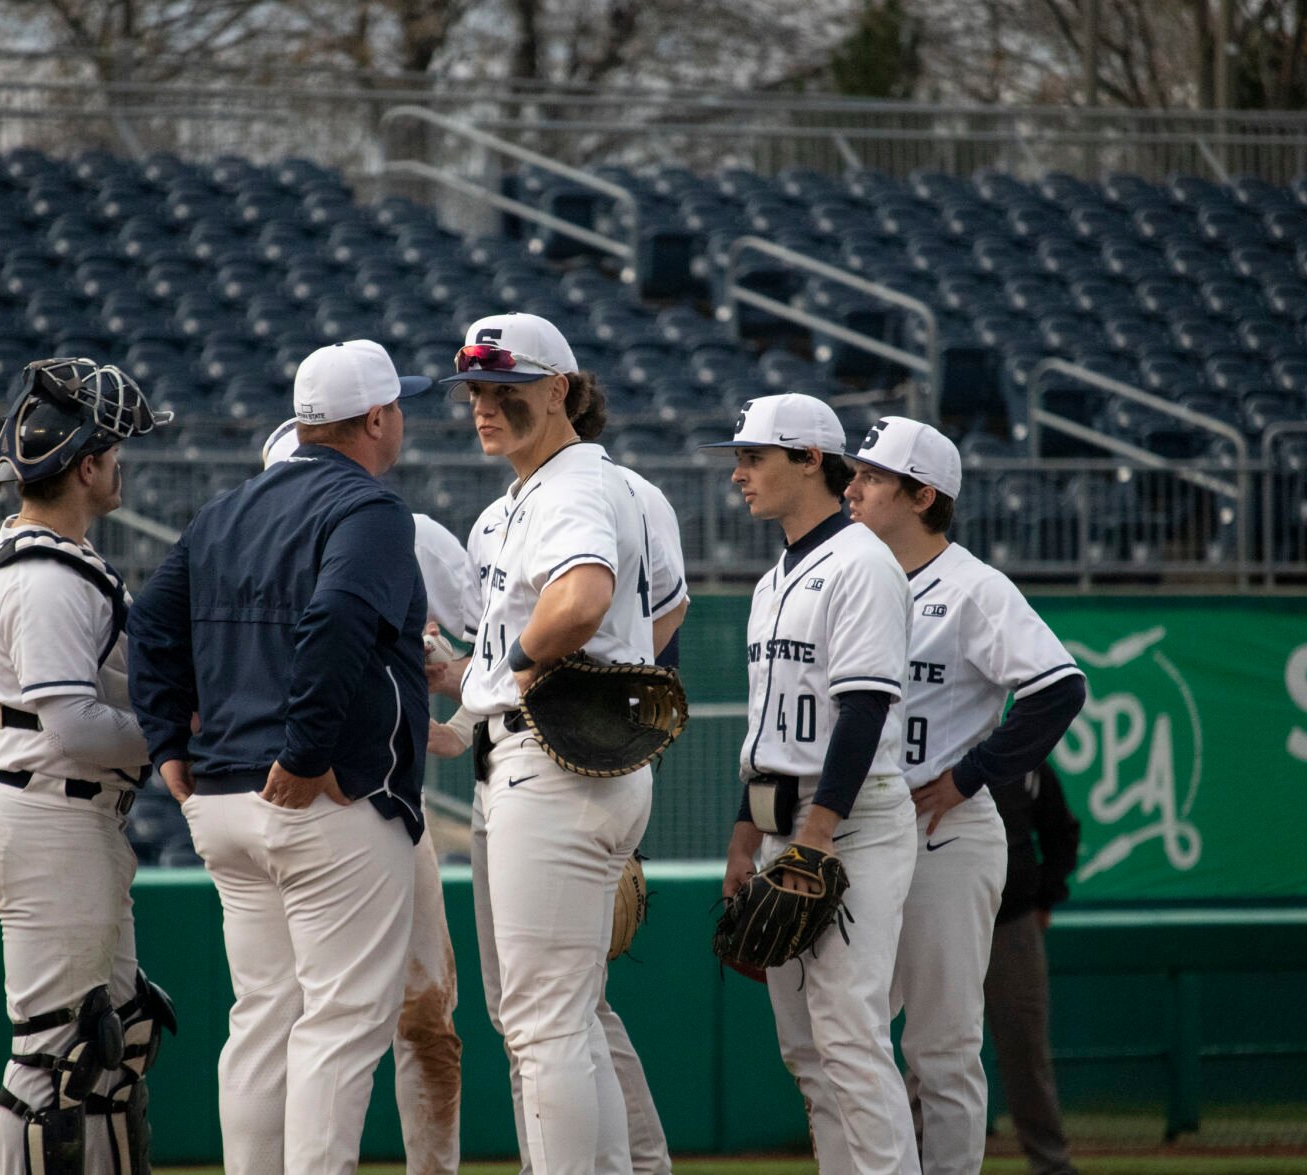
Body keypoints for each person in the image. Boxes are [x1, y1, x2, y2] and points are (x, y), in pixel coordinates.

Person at [126, 340, 432, 1175]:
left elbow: (150, 623)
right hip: (318, 802)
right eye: (396, 406)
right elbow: (335, 619)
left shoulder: (225, 509)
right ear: (374, 418)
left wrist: (168, 745)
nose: (401, 417)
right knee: (338, 1024)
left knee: (264, 1017)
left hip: (223, 799)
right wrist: (305, 749)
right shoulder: (370, 508)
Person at [431, 332, 688, 1175]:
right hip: (541, 759)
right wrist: (470, 685)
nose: (483, 404)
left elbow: (581, 602)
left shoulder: (575, 482)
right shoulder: (536, 492)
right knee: (555, 1019)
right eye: (473, 389)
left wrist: (505, 676)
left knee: (543, 1024)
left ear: (561, 391)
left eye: (505, 387)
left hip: (554, 763)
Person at [841, 415, 1087, 1175]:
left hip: (944, 828)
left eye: (872, 476)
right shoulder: (852, 574)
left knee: (941, 1043)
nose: (852, 487)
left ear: (921, 495)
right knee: (849, 1030)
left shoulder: (973, 587)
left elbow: (1058, 687)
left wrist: (973, 771)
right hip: (865, 822)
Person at [0, 357, 177, 1175]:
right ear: (84, 466)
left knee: (117, 1040)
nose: (120, 463)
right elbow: (77, 727)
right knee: (52, 1060)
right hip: (49, 811)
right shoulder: (47, 575)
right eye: (113, 451)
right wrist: (175, 731)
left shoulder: (52, 556)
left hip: (70, 816)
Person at [706, 392, 918, 1175]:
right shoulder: (772, 581)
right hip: (784, 826)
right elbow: (769, 734)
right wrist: (744, 836)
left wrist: (815, 837)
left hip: (849, 826)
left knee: (850, 1035)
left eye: (753, 456)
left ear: (809, 461)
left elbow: (863, 711)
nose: (737, 473)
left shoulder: (862, 562)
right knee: (806, 1049)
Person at [262, 417, 466, 1175]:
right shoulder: (252, 539)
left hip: (379, 805)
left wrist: (443, 704)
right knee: (289, 1021)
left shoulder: (400, 534)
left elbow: (469, 657)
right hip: (287, 803)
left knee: (422, 1017)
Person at [984, 760, 1082, 1175]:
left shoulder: (1023, 759)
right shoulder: (926, 745)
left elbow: (1061, 830)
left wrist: (1046, 896)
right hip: (938, 920)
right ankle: (917, 1161)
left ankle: (1051, 1165)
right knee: (930, 1051)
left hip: (1011, 921)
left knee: (1025, 1048)